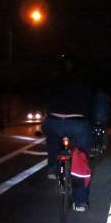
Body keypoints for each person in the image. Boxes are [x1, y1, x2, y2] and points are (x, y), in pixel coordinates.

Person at [42, 54, 94, 211]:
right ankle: (80, 202)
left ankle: (52, 167)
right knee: (80, 157)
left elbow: (46, 100)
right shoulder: (83, 82)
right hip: (77, 123)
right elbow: (90, 104)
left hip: (54, 121)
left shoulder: (54, 80)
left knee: (52, 137)